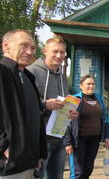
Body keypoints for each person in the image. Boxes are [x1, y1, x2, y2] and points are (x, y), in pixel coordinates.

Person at [27, 37, 78, 179]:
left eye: (62, 52)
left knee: (57, 176)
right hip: (40, 138)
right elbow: (22, 102)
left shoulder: (62, 77)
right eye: (55, 51)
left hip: (60, 136)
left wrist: (71, 112)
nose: (59, 55)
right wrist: (44, 104)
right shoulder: (31, 72)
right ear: (45, 51)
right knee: (38, 176)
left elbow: (64, 104)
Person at [0, 29, 47, 178]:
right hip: (9, 164)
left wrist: (39, 153)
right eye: (24, 45)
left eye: (33, 48)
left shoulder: (27, 77)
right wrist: (4, 148)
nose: (29, 51)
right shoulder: (2, 72)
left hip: (29, 162)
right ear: (6, 46)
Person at [64, 74, 109, 179]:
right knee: (77, 172)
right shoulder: (74, 99)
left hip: (94, 139)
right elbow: (66, 122)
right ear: (81, 86)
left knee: (88, 169)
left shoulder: (99, 98)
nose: (91, 86)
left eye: (93, 84)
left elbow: (104, 118)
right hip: (78, 140)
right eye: (88, 84)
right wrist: (68, 142)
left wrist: (107, 135)